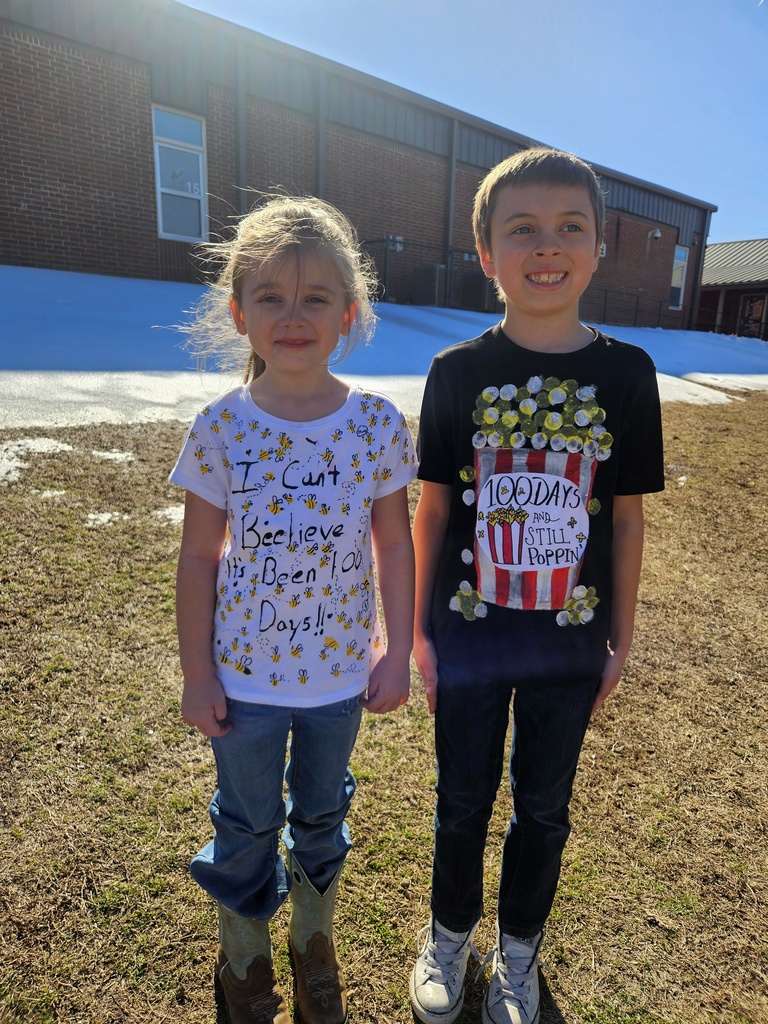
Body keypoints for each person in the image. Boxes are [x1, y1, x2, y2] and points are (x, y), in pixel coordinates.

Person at [409, 148, 664, 1024]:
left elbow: (625, 519)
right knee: (461, 800)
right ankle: (449, 934)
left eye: (569, 228)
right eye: (521, 229)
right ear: (486, 252)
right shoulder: (455, 372)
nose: (546, 246)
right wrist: (416, 632)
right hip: (470, 635)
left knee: (543, 808)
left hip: (566, 643)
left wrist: (620, 641)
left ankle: (520, 953)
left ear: (597, 250)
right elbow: (434, 511)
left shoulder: (628, 374)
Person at [170, 195, 416, 1024]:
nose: (293, 315)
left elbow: (394, 545)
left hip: (339, 682)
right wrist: (197, 671)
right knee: (244, 820)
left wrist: (395, 650)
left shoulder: (376, 424)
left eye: (315, 298)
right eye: (270, 296)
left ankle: (314, 944)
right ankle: (244, 960)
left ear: (349, 314)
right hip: (241, 684)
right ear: (240, 313)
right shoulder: (221, 428)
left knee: (321, 813)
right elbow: (199, 556)